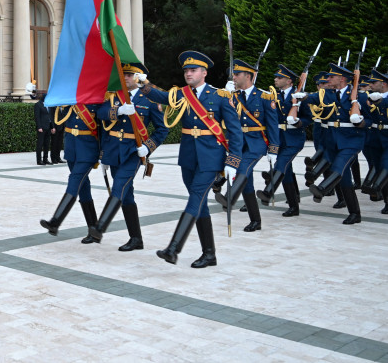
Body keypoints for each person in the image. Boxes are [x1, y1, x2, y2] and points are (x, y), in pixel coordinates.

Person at [141, 51, 243, 268]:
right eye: (186, 70)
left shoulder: (221, 96)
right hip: (188, 157)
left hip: (210, 158)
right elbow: (161, 97)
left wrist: (233, 160)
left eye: (193, 70)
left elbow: (235, 131)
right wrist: (144, 84)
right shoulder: (181, 94)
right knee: (200, 205)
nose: (188, 73)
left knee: (195, 197)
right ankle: (209, 254)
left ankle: (173, 248)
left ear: (204, 73)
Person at [88, 62, 169, 251]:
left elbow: (162, 129)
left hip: (133, 151)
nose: (125, 77)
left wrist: (148, 148)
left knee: (119, 186)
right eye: (123, 74)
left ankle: (100, 227)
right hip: (115, 150)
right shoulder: (115, 96)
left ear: (140, 77)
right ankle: (136, 239)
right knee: (127, 195)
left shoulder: (150, 99)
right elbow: (100, 114)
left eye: (130, 74)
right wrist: (118, 111)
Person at [296, 62, 372, 224]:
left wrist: (361, 122)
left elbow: (371, 119)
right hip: (332, 140)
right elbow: (311, 97)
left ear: (342, 79)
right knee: (344, 178)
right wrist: (300, 96)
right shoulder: (326, 94)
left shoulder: (360, 96)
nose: (328, 79)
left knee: (339, 166)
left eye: (332, 76)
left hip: (352, 140)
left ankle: (323, 188)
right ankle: (355, 213)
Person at [213, 59, 280, 233]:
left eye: (237, 74)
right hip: (237, 143)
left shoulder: (265, 97)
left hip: (256, 143)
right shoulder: (231, 96)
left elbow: (272, 125)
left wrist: (274, 149)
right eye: (233, 74)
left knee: (242, 168)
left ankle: (229, 198)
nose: (234, 77)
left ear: (248, 76)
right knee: (247, 183)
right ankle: (255, 221)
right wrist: (225, 96)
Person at [39, 101, 102, 243]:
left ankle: (55, 221)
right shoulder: (70, 99)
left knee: (74, 180)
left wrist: (104, 152)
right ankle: (94, 231)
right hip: (72, 149)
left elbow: (104, 127)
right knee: (83, 188)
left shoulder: (97, 100)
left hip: (88, 150)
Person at [256, 65, 311, 216]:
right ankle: (294, 206)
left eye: (279, 78)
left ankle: (268, 192)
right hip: (278, 138)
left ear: (289, 81)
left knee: (281, 164)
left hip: (294, 138)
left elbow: (309, 117)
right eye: (276, 77)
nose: (276, 79)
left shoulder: (299, 95)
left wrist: (299, 122)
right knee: (285, 171)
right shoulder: (274, 95)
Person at [363, 68, 388, 211]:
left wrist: (378, 101)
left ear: (383, 83)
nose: (370, 85)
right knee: (379, 168)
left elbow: (384, 103)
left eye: (374, 82)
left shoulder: (378, 98)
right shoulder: (369, 97)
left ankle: (376, 187)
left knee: (386, 165)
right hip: (375, 137)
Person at [33, 92, 55, 165]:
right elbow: (37, 117)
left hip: (48, 127)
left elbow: (50, 117)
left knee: (47, 144)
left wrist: (52, 127)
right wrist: (39, 127)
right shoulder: (38, 105)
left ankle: (45, 159)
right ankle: (39, 160)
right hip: (42, 127)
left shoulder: (48, 105)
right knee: (40, 144)